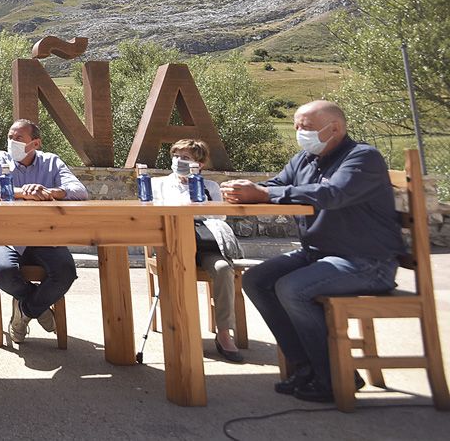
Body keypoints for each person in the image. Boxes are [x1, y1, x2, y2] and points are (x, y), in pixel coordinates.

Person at [223, 100, 404, 403]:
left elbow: (333, 194)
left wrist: (266, 193)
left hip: (366, 261)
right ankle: (308, 366)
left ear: (334, 128)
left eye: (305, 127)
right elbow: (277, 185)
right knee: (256, 280)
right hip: (319, 255)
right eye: (296, 127)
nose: (299, 133)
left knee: (292, 288)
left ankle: (335, 377)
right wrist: (245, 188)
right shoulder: (303, 160)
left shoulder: (363, 157)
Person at [0, 119, 87, 344]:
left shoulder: (51, 162)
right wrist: (22, 192)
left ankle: (25, 311)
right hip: (5, 235)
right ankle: (38, 308)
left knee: (65, 272)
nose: (12, 142)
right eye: (10, 137)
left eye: (18, 138)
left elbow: (79, 191)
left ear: (35, 143)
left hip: (45, 236)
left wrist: (51, 192)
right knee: (2, 272)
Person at [152, 139, 244, 362]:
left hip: (205, 243)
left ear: (199, 164)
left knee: (223, 268)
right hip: (172, 245)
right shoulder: (158, 184)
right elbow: (154, 215)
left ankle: (223, 333)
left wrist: (197, 201)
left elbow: (220, 217)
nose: (178, 161)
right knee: (178, 270)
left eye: (185, 158)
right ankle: (184, 331)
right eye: (175, 156)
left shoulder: (209, 187)